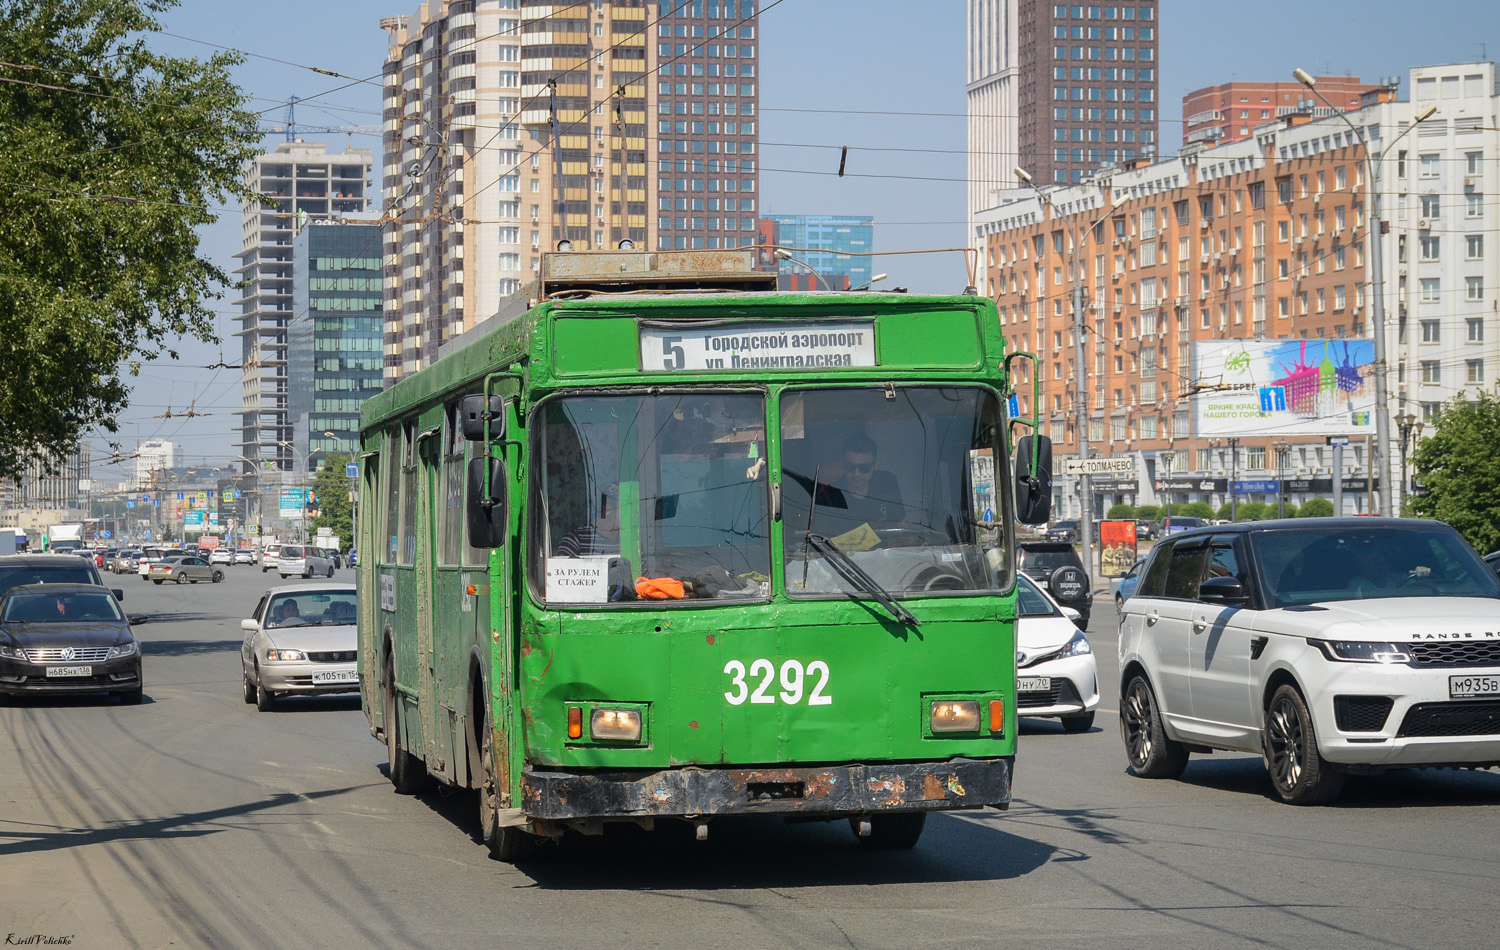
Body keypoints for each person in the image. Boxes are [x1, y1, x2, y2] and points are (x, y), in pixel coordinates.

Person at [825, 434, 906, 531]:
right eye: (850, 467)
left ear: (875, 465)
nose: (857, 474)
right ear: (843, 464)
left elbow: (901, 523)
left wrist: (916, 542)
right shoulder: (831, 495)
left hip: (884, 546)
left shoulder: (887, 482)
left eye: (864, 468)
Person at [555, 484, 622, 558]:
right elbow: (563, 567)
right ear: (608, 509)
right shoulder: (575, 538)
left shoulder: (631, 539)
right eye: (624, 508)